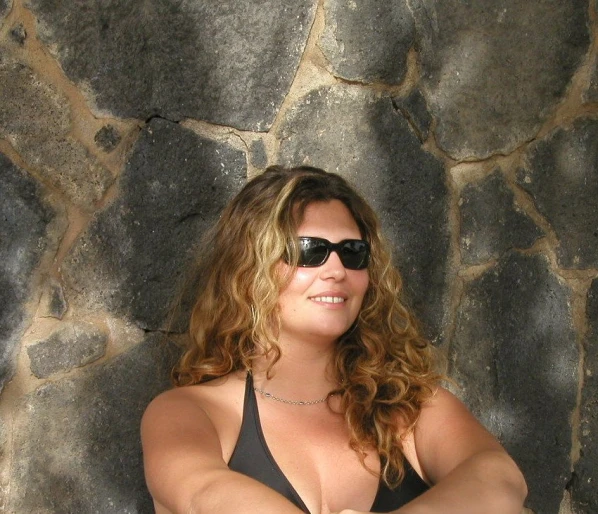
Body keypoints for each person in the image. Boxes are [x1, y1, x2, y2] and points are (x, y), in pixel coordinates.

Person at [141, 165, 527, 514]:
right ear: (246, 268)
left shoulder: (409, 408)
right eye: (310, 251)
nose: (336, 269)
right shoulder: (189, 412)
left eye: (353, 252)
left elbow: (500, 478)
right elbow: (202, 492)